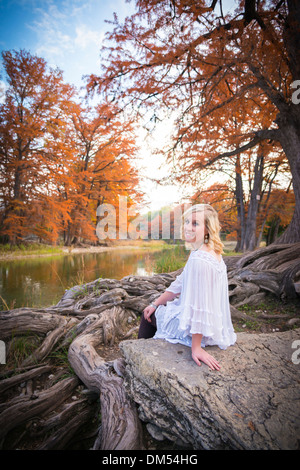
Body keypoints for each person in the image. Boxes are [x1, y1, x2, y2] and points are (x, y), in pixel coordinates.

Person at [138, 203, 237, 370]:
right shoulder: (207, 249)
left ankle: (139, 361)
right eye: (187, 222)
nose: (188, 227)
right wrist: (155, 303)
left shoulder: (200, 259)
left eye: (195, 224)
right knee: (152, 310)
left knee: (146, 318)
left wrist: (196, 347)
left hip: (201, 329)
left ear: (207, 229)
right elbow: (181, 283)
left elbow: (200, 305)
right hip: (211, 323)